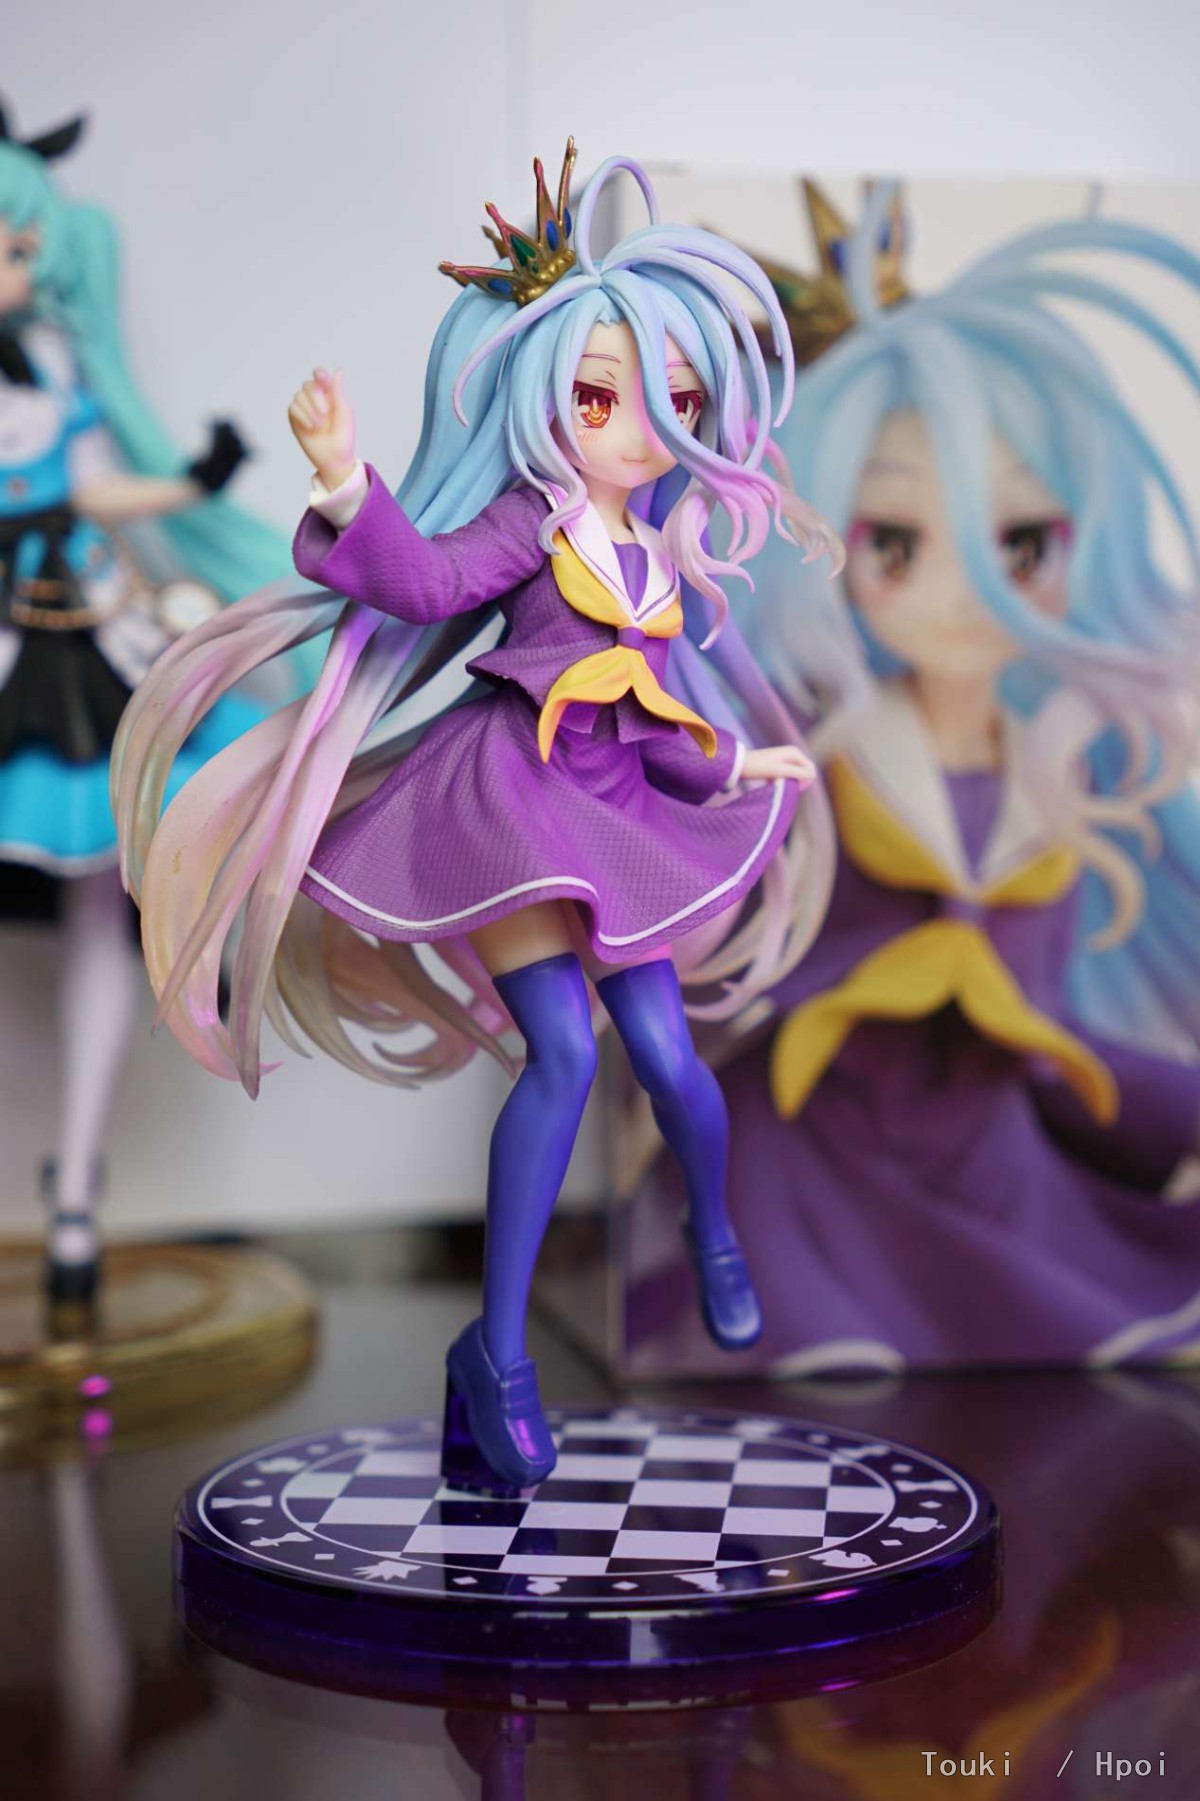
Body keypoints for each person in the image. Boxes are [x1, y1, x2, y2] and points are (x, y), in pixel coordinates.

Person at [114, 144, 839, 1489]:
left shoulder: (660, 554)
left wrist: (738, 763)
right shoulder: (532, 521)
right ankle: (498, 1353)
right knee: (560, 1056)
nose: (637, 428)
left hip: (613, 817)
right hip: (509, 807)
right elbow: (426, 581)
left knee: (669, 1057)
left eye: (671, 401)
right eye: (603, 397)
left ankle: (714, 1227)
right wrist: (345, 481)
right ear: (547, 396)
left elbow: (655, 718)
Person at [0, 100, 288, 1300]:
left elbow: (88, 485)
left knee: (100, 898)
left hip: (69, 626)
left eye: (20, 248)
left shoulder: (58, 366)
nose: (8, 269)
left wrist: (190, 484)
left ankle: (75, 1182)